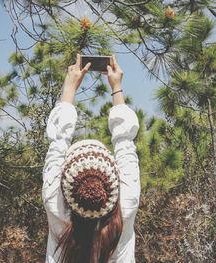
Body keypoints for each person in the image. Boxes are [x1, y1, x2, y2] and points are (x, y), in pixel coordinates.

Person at [42, 54, 140, 263]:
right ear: (113, 181)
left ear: (65, 181)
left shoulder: (56, 205)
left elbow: (58, 141)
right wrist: (116, 88)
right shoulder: (126, 205)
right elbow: (125, 141)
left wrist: (69, 90)